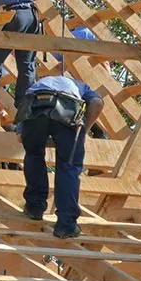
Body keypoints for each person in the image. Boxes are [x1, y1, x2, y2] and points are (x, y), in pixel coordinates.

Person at [18, 47, 103, 240]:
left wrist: (24, 132)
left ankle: (34, 207)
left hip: (35, 107)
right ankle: (66, 225)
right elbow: (97, 103)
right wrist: (81, 132)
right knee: (68, 166)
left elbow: (24, 112)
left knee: (33, 154)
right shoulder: (80, 86)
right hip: (66, 107)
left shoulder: (38, 84)